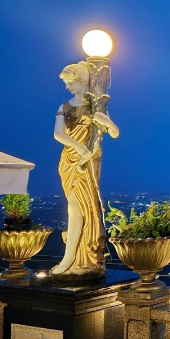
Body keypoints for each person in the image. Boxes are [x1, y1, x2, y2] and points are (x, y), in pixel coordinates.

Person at [51, 61, 119, 277]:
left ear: (82, 81)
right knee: (75, 207)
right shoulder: (64, 107)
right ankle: (72, 258)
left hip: (89, 163)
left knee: (79, 208)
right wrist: (79, 147)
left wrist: (106, 121)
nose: (68, 87)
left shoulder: (95, 108)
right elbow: (58, 134)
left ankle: (75, 258)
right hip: (71, 161)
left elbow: (115, 133)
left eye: (70, 83)